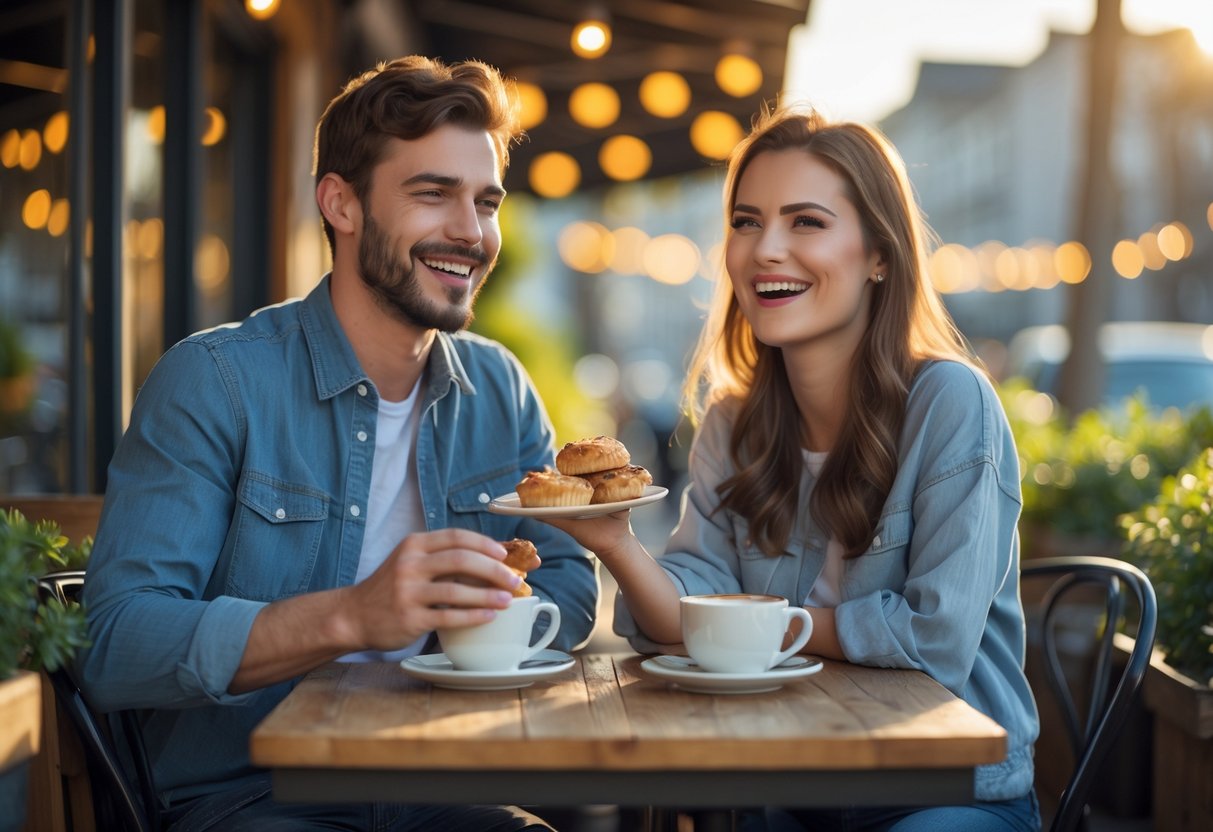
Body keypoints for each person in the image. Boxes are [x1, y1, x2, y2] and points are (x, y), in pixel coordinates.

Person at [78, 56, 597, 831]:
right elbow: (117, 645)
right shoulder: (214, 380)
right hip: (251, 795)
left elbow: (565, 577)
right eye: (433, 194)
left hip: (438, 781)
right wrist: (351, 616)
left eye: (485, 202)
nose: (470, 231)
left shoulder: (501, 389)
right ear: (341, 204)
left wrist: (479, 632)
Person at [541, 106, 1040, 831]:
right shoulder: (733, 424)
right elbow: (675, 623)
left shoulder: (949, 402)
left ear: (878, 253)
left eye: (806, 221)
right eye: (746, 221)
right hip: (788, 786)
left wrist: (766, 630)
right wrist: (616, 541)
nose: (765, 248)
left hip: (943, 790)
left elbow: (934, 639)